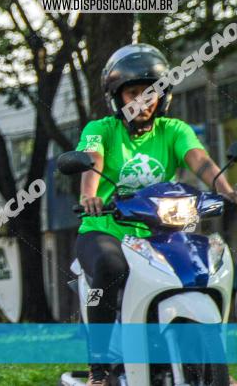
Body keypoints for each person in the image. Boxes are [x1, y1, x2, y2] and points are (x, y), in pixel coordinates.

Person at [75, 43, 237, 386]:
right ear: (117, 97)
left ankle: (211, 360)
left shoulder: (173, 130)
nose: (142, 101)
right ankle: (100, 369)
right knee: (109, 267)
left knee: (211, 266)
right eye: (133, 92)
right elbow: (92, 161)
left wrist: (226, 189)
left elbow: (200, 160)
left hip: (162, 232)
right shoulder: (100, 129)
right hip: (106, 229)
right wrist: (89, 196)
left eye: (151, 93)